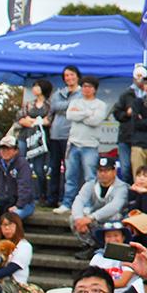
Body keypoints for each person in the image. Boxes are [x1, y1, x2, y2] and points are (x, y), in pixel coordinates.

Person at [58, 75, 107, 212]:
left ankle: (88, 205)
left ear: (95, 89)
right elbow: (70, 115)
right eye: (84, 86)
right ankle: (67, 203)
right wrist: (88, 113)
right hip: (73, 143)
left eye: (89, 86)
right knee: (70, 176)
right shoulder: (75, 102)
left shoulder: (100, 105)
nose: (86, 89)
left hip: (90, 145)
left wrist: (81, 114)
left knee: (90, 177)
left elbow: (95, 121)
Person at [70, 155, 129, 258]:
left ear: (114, 171)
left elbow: (115, 206)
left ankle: (113, 249)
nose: (103, 174)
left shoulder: (122, 187)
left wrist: (90, 217)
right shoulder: (90, 184)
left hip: (116, 221)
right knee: (74, 218)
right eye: (100, 171)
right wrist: (79, 219)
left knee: (115, 216)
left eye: (106, 171)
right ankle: (91, 246)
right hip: (97, 220)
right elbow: (79, 200)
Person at [46, 66, 80, 208]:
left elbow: (79, 106)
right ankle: (52, 199)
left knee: (70, 170)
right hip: (55, 134)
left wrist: (64, 107)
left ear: (77, 76)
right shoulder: (59, 92)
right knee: (54, 168)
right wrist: (69, 106)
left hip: (71, 135)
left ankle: (69, 200)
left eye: (71, 75)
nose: (69, 78)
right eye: (66, 75)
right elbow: (53, 106)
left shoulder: (81, 93)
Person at [17, 77, 53, 202]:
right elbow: (21, 119)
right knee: (21, 164)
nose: (34, 89)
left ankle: (42, 195)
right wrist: (35, 122)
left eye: (37, 86)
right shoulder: (28, 104)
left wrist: (32, 120)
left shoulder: (49, 105)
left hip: (39, 140)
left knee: (39, 168)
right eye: (34, 86)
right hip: (24, 137)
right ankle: (20, 193)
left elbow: (48, 121)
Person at [114, 64, 147, 184]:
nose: (139, 80)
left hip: (142, 137)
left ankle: (137, 196)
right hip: (125, 136)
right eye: (137, 77)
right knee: (125, 168)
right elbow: (116, 113)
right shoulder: (126, 94)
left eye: (142, 78)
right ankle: (125, 195)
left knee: (139, 169)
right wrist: (127, 114)